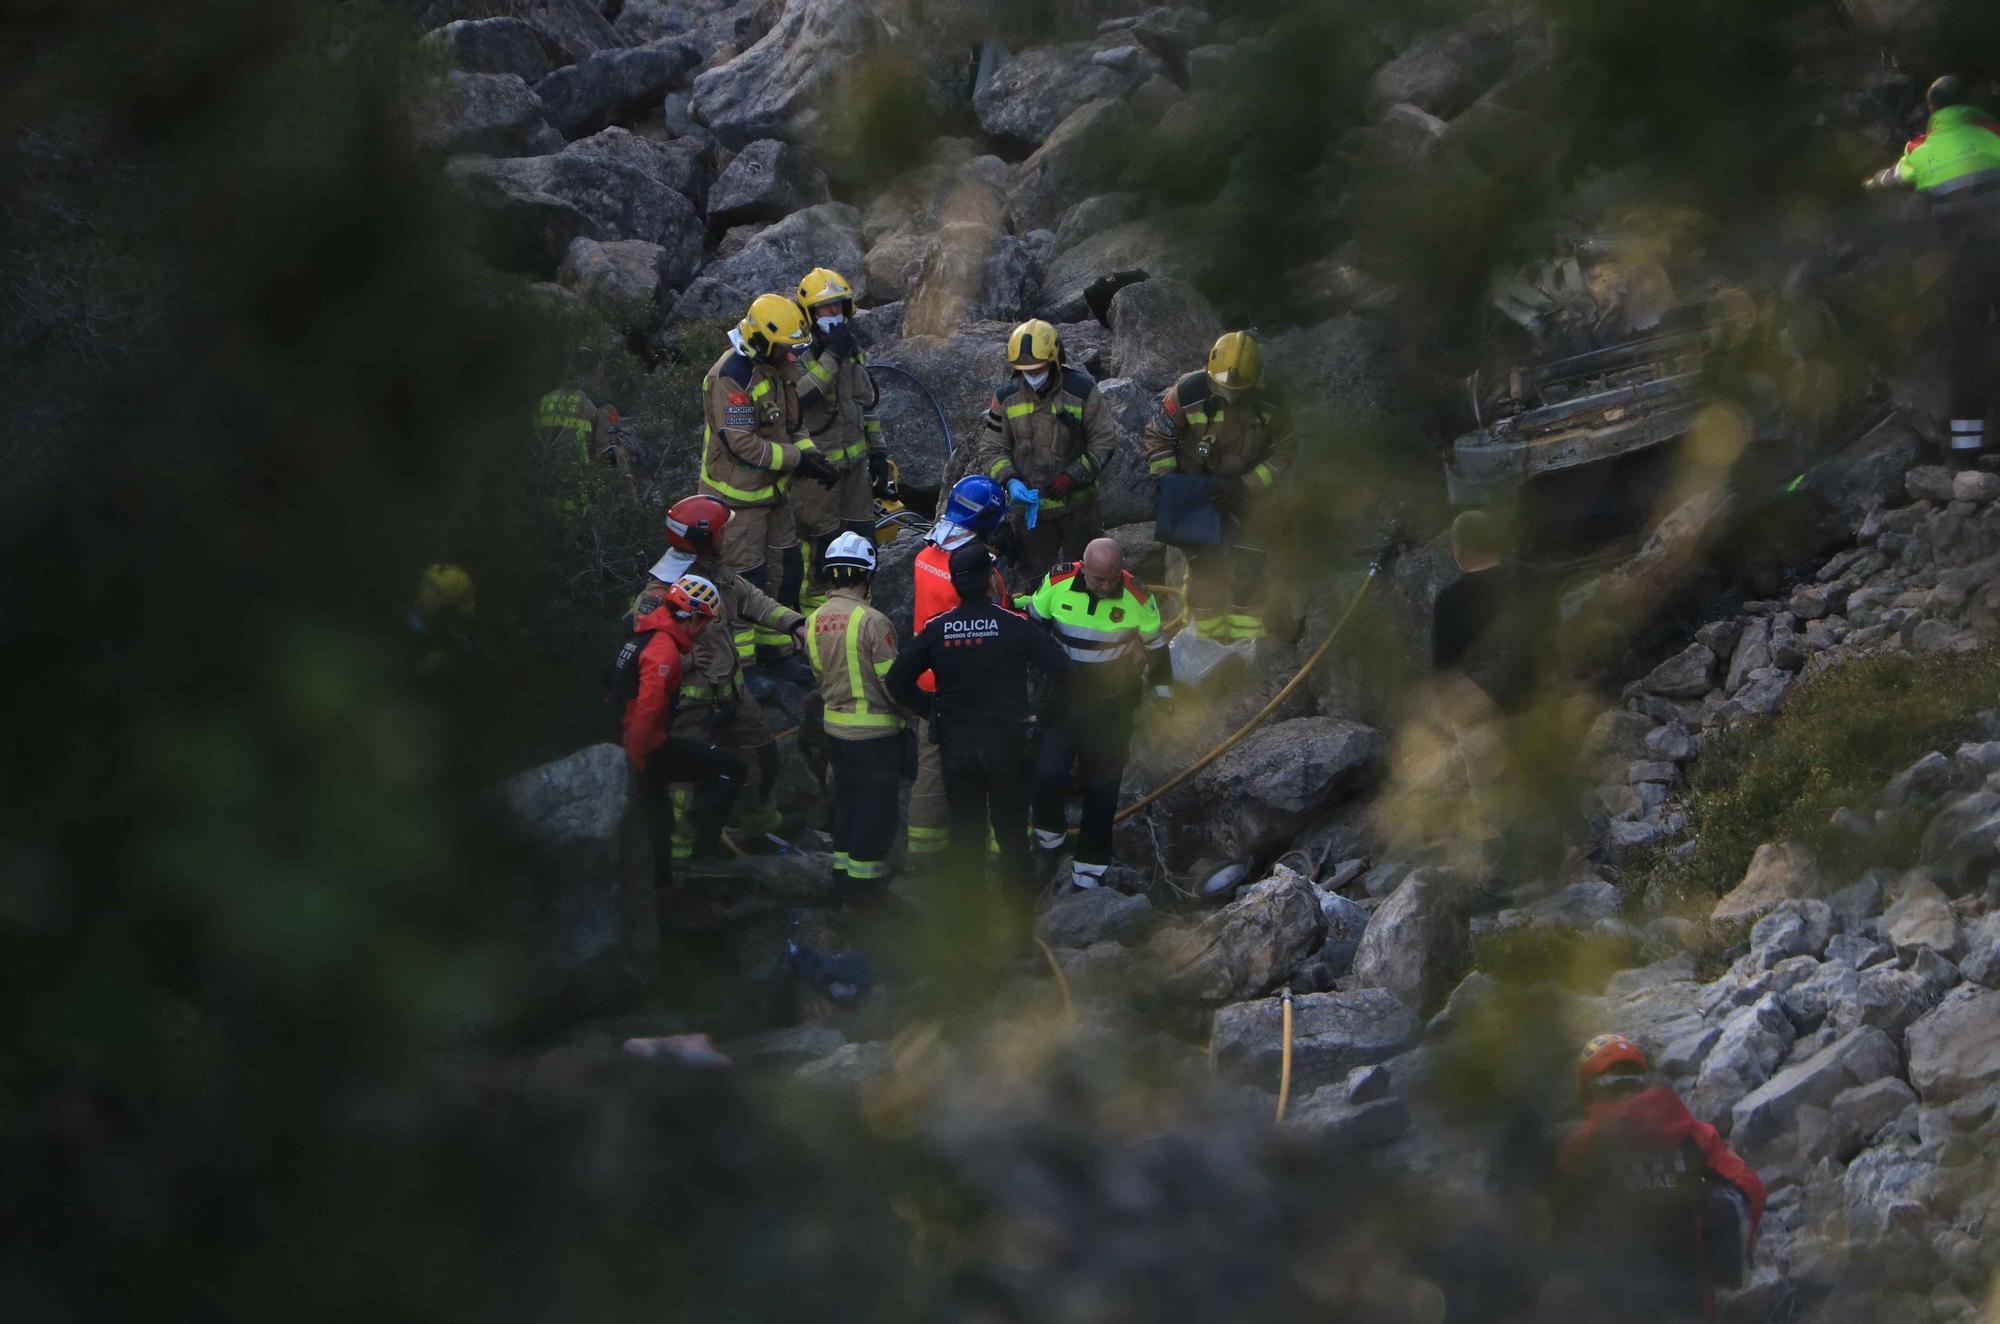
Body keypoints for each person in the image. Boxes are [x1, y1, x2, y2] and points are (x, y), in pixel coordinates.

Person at [886, 542, 1070, 891]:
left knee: (966, 836)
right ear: (990, 581)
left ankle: (969, 926)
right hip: (1008, 745)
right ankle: (1017, 928)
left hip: (958, 749)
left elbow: (897, 680)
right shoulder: (1014, 625)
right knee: (1013, 838)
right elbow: (1063, 670)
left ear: (955, 585)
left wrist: (933, 711)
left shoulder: (939, 629)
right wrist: (1044, 716)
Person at [634, 494, 808, 865]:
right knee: (682, 787)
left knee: (762, 754)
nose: (728, 536)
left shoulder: (717, 573)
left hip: (732, 694)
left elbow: (753, 600)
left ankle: (758, 827)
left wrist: (795, 622)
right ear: (702, 539)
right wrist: (684, 659)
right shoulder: (658, 594)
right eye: (721, 531)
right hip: (688, 707)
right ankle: (681, 865)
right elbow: (643, 651)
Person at [1551, 1035, 1766, 1323]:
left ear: (1588, 1089)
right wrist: (1730, 1260)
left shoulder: (1580, 1149)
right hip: (1693, 1301)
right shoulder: (1692, 1133)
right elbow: (1750, 1188)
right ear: (1640, 1080)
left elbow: (1558, 1230)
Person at [700, 293, 842, 673]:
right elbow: (741, 442)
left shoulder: (778, 367)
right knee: (746, 580)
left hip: (774, 492)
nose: (794, 357)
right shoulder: (731, 377)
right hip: (737, 501)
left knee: (787, 568)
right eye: (787, 349)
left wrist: (814, 457)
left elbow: (794, 424)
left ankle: (778, 653)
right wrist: (799, 460)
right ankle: (743, 668)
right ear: (763, 343)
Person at [1866, 75, 2000, 458]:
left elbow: (1890, 179)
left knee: (1967, 351)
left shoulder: (1921, 150)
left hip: (1961, 266)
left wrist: (1865, 183)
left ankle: (1965, 452)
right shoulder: (1994, 135)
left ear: (1933, 111)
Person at [1026, 538, 1170, 889]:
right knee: (1047, 772)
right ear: (1084, 568)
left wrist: (1165, 694)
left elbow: (1156, 648)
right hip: (1064, 698)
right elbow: (1033, 626)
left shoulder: (1137, 596)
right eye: (1098, 579)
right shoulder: (1057, 583)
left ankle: (1089, 869)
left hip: (1111, 704)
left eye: (1111, 579)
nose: (1105, 586)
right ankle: (1048, 844)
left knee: (1103, 786)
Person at [1140, 330, 1294, 642]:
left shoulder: (1274, 402)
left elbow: (1285, 450)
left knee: (1249, 566)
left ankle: (1245, 647)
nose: (1231, 396)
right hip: (1197, 493)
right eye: (1223, 389)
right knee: (1204, 569)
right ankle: (1204, 639)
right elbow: (1158, 437)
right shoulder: (1187, 392)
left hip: (1248, 494)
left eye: (1239, 391)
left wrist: (1246, 486)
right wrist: (1171, 483)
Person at [905, 475, 1014, 863]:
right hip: (974, 691)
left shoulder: (923, 558)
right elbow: (1000, 616)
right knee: (991, 769)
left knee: (931, 771)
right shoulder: (982, 575)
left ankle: (921, 855)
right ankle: (998, 855)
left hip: (930, 683)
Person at [619, 573, 744, 897]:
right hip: (645, 749)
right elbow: (646, 712)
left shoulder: (646, 634)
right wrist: (636, 765)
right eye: (704, 622)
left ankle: (665, 889)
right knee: (730, 769)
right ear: (695, 617)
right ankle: (702, 861)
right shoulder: (663, 652)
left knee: (660, 822)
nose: (704, 630)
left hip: (636, 745)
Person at [803, 532, 911, 900]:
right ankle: (864, 893)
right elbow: (892, 684)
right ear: (868, 575)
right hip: (876, 735)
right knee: (875, 813)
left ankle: (841, 881)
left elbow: (820, 677)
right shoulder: (873, 621)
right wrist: (912, 716)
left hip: (835, 730)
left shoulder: (814, 620)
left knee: (846, 805)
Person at [975, 318, 1119, 583]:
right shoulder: (1006, 399)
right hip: (1032, 516)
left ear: (1054, 360)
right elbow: (992, 448)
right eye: (1025, 370)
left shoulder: (1082, 391)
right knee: (1033, 582)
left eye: (1038, 368)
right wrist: (1011, 480)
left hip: (1079, 509)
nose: (1032, 375)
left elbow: (1105, 439)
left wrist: (1075, 475)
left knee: (1088, 578)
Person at [789, 269, 893, 613]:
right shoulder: (796, 354)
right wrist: (831, 356)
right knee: (820, 550)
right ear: (808, 314)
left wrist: (878, 452)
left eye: (838, 307)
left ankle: (864, 617)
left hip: (855, 471)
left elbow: (865, 405)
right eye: (824, 309)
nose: (832, 315)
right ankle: (815, 625)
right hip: (818, 473)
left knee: (864, 542)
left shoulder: (849, 348)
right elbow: (800, 397)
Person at [1430, 509, 1550, 712]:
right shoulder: (1535, 578)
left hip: (1483, 718)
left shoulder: (1449, 600)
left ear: (1459, 548)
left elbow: (1442, 674)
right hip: (1536, 704)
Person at [536, 384, 618, 465]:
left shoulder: (549, 396)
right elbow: (605, 448)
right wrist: (615, 471)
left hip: (539, 461)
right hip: (576, 467)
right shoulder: (607, 409)